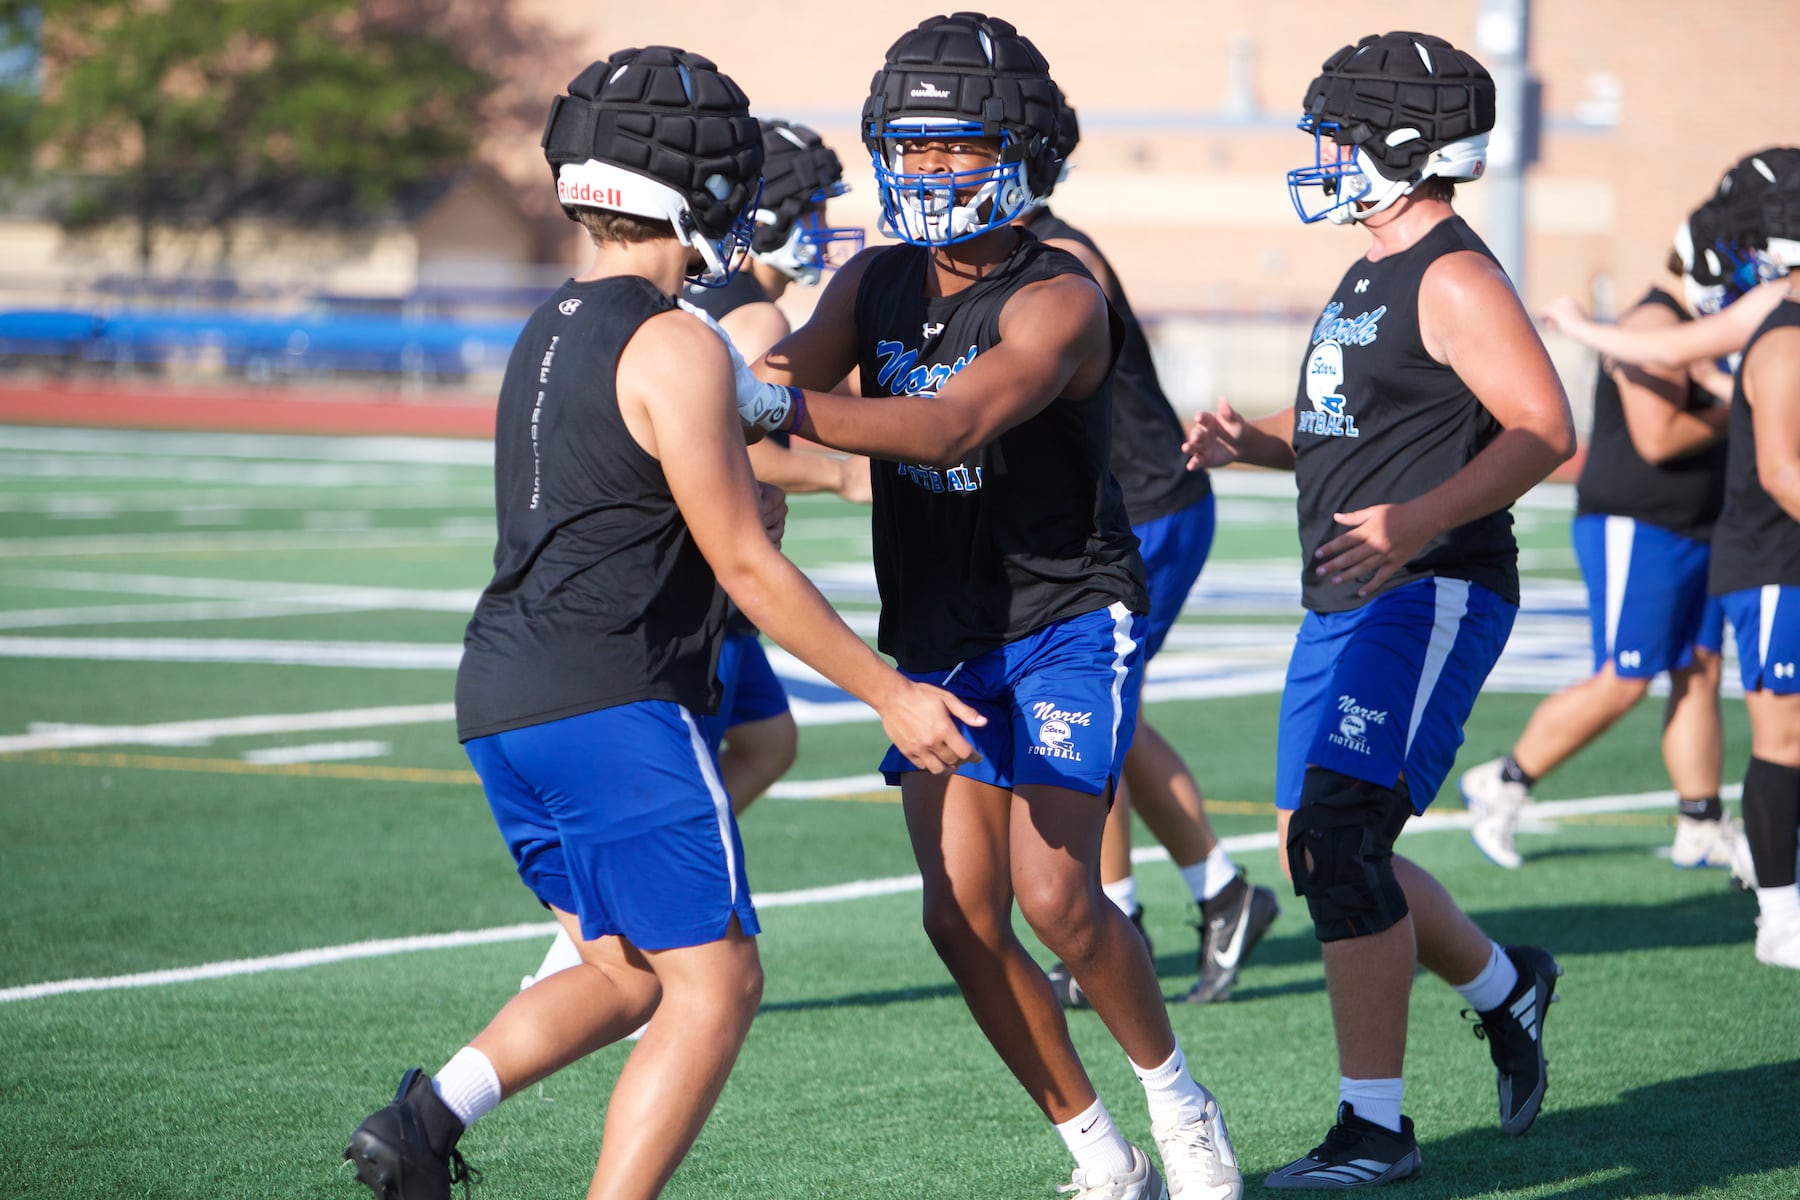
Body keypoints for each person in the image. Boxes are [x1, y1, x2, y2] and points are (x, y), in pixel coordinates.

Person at [340, 47, 980, 1200]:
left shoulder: (551, 326)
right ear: (698, 185)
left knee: (629, 971)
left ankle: (426, 1122)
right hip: (611, 701)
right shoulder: (677, 338)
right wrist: (889, 690)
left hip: (502, 700)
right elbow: (744, 560)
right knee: (720, 982)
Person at [747, 13, 1241, 1199]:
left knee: (1057, 894)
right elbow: (772, 385)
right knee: (958, 919)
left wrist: (761, 409)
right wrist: (719, 373)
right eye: (905, 151)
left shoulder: (1061, 295)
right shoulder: (869, 277)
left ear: (1022, 151)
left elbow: (948, 422)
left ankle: (1180, 1107)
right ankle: (1097, 1153)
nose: (924, 174)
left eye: (952, 148)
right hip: (939, 628)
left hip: (1066, 613)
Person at [1185, 31, 1572, 1187]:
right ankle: (1510, 989)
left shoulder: (1452, 271)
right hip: (1349, 598)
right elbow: (1363, 436)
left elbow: (1545, 428)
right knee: (1324, 851)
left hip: (1427, 589)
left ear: (1404, 144)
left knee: (1344, 844)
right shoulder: (1370, 269)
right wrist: (1257, 447)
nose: (1325, 154)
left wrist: (1412, 526)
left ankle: (1375, 1128)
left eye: (1342, 134)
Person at [519, 119, 872, 997]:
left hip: (626, 594)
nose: (826, 230)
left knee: (768, 739)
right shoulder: (751, 310)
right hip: (684, 589)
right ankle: (621, 959)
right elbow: (744, 444)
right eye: (815, 210)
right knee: (684, 794)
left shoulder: (646, 303)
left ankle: (620, 939)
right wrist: (841, 472)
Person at [1017, 96, 1280, 1009]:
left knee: (1091, 706)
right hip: (1114, 509)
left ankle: (1112, 916)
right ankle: (1220, 892)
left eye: (959, 147)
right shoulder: (1005, 251)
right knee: (1108, 712)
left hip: (1144, 507)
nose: (937, 172)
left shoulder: (1061, 256)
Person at [1459, 187, 1754, 879]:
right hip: (1639, 521)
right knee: (1626, 675)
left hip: (1697, 522)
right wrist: (1747, 404)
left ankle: (1701, 820)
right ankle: (1505, 779)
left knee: (1700, 670)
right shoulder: (1655, 318)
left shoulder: (1696, 324)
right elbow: (1659, 436)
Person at [1706, 163, 1800, 969]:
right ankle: (1780, 916)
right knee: (1785, 735)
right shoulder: (1787, 340)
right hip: (1774, 561)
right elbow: (1781, 471)